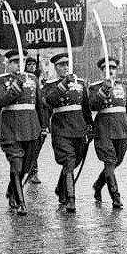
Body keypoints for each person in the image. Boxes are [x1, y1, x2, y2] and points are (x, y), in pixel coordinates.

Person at [0, 50, 47, 215]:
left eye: (20, 62)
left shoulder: (33, 79)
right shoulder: (0, 81)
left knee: (26, 166)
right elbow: (0, 102)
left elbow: (39, 105)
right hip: (10, 128)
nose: (17, 65)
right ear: (8, 64)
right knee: (16, 164)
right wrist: (16, 87)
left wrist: (43, 127)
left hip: (31, 128)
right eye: (14, 62)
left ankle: (12, 190)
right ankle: (21, 202)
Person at [42, 53, 93, 213]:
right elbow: (50, 101)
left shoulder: (81, 83)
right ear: (55, 68)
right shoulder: (50, 85)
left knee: (75, 161)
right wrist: (64, 84)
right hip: (61, 130)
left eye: (66, 65)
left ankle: (60, 187)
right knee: (69, 162)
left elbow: (86, 108)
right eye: (61, 65)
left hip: (78, 130)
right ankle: (71, 199)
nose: (64, 67)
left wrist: (90, 126)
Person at [88, 56, 127, 209]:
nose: (111, 72)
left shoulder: (123, 87)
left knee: (117, 161)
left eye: (113, 69)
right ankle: (116, 197)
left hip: (121, 131)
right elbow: (92, 105)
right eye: (107, 69)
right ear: (102, 71)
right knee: (109, 163)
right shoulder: (95, 88)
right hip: (103, 131)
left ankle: (98, 184)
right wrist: (104, 89)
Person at [23, 55, 45, 185]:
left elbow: (40, 104)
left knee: (35, 147)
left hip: (37, 117)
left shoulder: (37, 78)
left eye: (33, 65)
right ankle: (29, 171)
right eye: (29, 65)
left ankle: (33, 171)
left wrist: (43, 124)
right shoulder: (23, 78)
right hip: (26, 118)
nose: (31, 67)